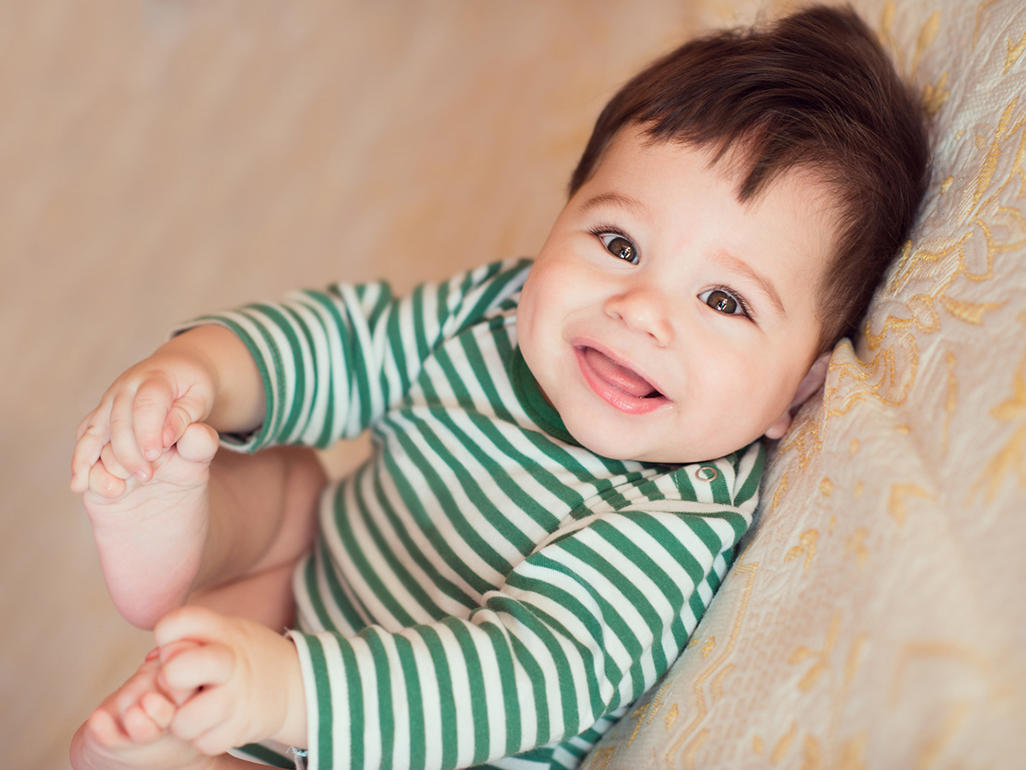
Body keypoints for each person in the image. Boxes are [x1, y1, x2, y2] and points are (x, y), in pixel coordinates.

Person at [69, 5, 929, 770]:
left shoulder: (679, 514)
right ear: (562, 213)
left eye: (723, 301)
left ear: (799, 389)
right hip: (301, 593)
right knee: (286, 477)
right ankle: (164, 489)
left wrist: (287, 692)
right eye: (619, 244)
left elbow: (525, 674)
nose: (641, 311)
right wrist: (200, 375)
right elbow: (345, 340)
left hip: (406, 739)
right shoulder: (497, 310)